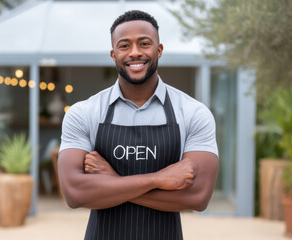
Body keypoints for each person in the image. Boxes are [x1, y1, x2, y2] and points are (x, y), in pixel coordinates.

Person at [57, 10, 219, 240]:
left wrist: (112, 181)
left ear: (159, 50)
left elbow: (198, 197)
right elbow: (74, 193)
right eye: (124, 46)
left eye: (144, 43)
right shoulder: (83, 113)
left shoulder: (194, 113)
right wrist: (158, 179)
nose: (135, 53)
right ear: (113, 55)